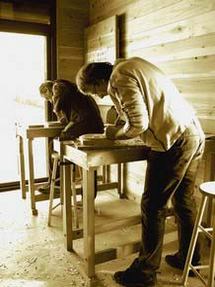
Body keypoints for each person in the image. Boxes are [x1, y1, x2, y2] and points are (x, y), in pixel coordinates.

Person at [76, 57, 205, 287]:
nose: (100, 96)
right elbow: (142, 107)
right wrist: (121, 120)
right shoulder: (131, 65)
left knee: (152, 205)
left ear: (97, 82)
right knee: (183, 201)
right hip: (193, 132)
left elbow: (138, 124)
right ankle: (189, 257)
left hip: (172, 140)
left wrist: (114, 135)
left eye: (94, 91)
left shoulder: (118, 78)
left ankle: (144, 272)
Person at [38, 79, 104, 193]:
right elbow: (67, 118)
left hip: (84, 123)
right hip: (95, 125)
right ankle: (87, 194)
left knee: (55, 145)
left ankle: (58, 184)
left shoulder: (58, 86)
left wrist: (56, 108)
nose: (49, 101)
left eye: (47, 97)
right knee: (88, 158)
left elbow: (58, 104)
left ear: (48, 90)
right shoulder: (71, 88)